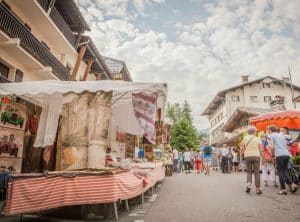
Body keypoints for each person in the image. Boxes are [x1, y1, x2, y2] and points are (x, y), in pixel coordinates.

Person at [266, 125, 298, 195]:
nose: (267, 131)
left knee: (280, 172)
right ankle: (292, 184)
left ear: (270, 130)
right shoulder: (282, 135)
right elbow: (289, 144)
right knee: (285, 171)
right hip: (287, 154)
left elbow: (272, 146)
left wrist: (272, 155)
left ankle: (283, 189)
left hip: (279, 155)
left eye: (268, 130)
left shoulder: (270, 136)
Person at [240, 126, 262, 194]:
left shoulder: (245, 138)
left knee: (249, 172)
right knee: (257, 172)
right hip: (256, 156)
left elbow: (242, 148)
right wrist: (263, 157)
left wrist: (242, 155)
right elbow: (261, 149)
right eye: (256, 132)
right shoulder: (258, 139)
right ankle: (258, 189)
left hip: (248, 156)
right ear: (254, 132)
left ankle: (249, 185)